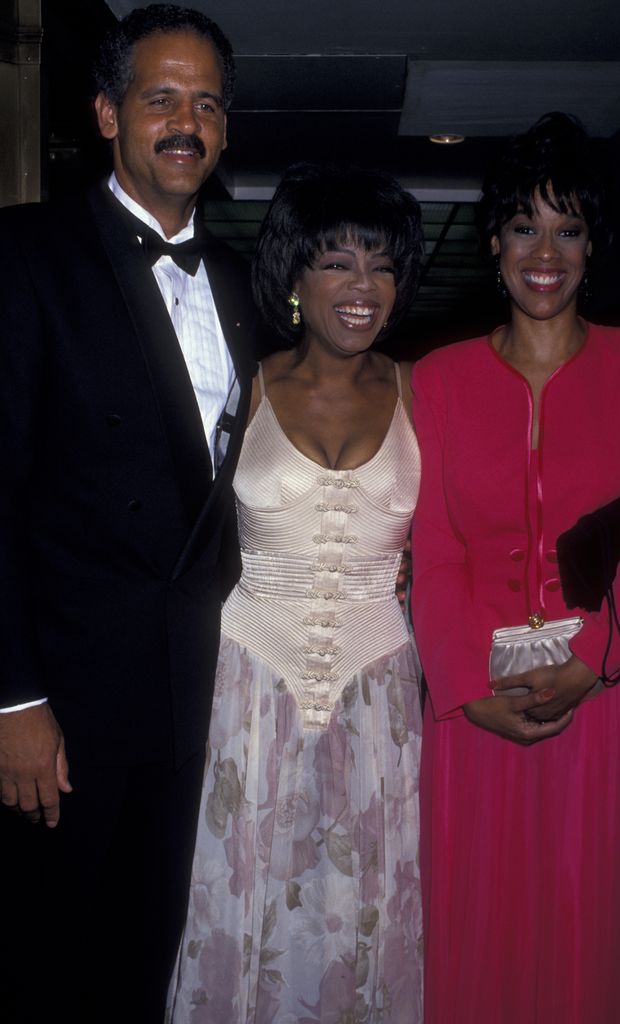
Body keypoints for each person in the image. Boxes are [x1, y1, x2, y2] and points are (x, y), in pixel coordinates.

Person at [0, 6, 255, 1022]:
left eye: (205, 104)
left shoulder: (241, 282)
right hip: (60, 710)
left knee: (146, 967)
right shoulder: (24, 254)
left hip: (196, 706)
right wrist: (12, 698)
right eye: (160, 99)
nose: (184, 121)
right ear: (107, 114)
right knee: (41, 965)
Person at [412, 112, 620, 1023]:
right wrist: (460, 687)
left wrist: (592, 658)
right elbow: (433, 550)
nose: (545, 251)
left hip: (611, 696)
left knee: (599, 944)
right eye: (524, 225)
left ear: (593, 243)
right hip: (478, 708)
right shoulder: (437, 380)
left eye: (568, 227)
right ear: (493, 242)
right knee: (482, 942)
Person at [167, 163, 425, 1023]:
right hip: (245, 690)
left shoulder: (424, 391)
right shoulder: (241, 383)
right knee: (243, 911)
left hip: (378, 696)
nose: (362, 288)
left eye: (382, 266)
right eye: (337, 262)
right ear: (294, 274)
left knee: (362, 920)